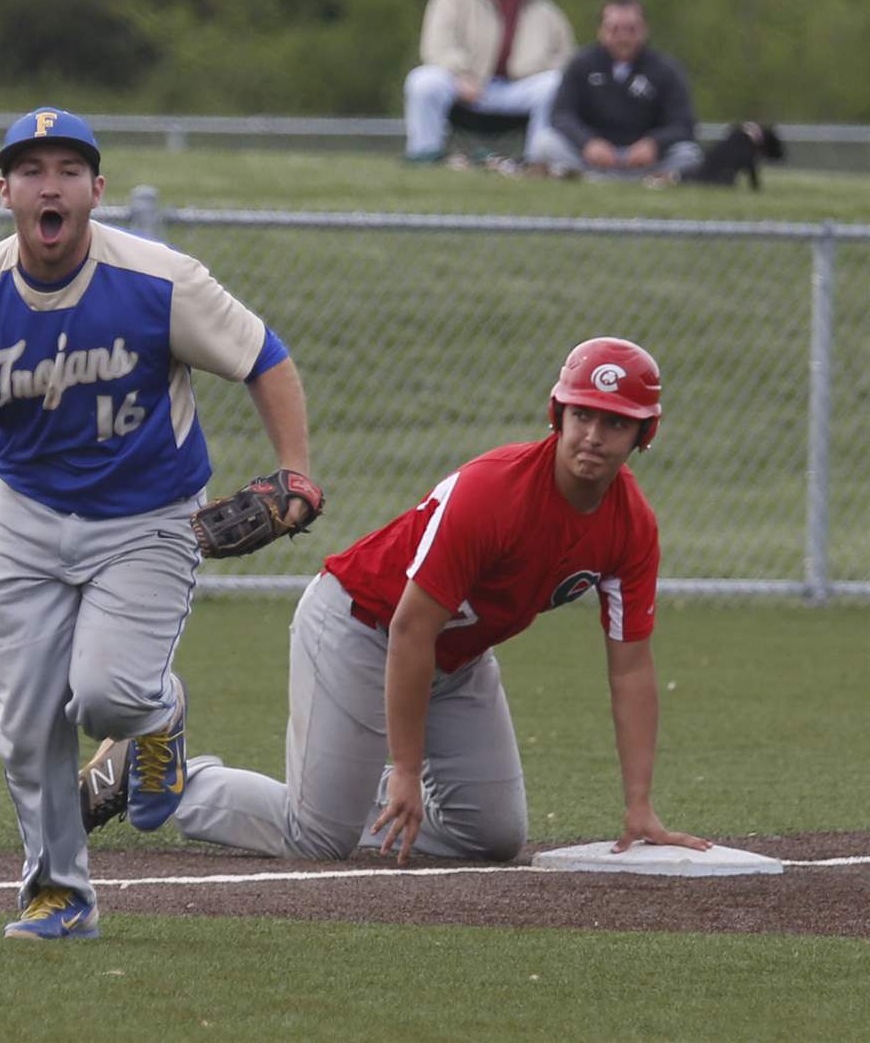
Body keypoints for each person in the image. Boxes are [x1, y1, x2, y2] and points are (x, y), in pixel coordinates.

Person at [0, 106, 316, 938]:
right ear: (5, 190)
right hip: (28, 518)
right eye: (33, 171)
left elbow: (264, 356)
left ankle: (158, 720)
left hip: (149, 516)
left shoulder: (159, 281)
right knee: (25, 724)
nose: (51, 186)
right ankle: (59, 896)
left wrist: (297, 468)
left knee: (111, 693)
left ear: (96, 189)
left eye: (68, 171)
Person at [81, 337, 712, 866]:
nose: (594, 436)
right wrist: (406, 768)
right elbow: (411, 627)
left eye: (616, 422)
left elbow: (630, 668)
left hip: (455, 659)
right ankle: (167, 774)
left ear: (643, 435)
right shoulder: (495, 492)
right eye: (583, 415)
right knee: (318, 838)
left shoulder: (632, 526)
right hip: (359, 627)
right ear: (557, 415)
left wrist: (639, 808)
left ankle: (353, 789)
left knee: (488, 837)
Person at [403, 0, 575, 164]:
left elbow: (567, 59)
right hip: (462, 85)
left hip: (516, 90)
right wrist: (460, 73)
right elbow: (437, 45)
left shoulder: (545, 10)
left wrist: (537, 69)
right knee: (423, 80)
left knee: (554, 84)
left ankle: (537, 163)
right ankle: (425, 155)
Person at [533, 0, 703, 181]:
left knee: (688, 154)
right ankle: (600, 178)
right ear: (600, 31)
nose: (623, 37)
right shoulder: (581, 64)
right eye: (614, 29)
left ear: (645, 30)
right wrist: (588, 143)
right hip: (592, 157)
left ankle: (610, 180)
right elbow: (562, 114)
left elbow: (683, 124)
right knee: (545, 144)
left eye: (631, 29)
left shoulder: (665, 69)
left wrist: (654, 144)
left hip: (645, 160)